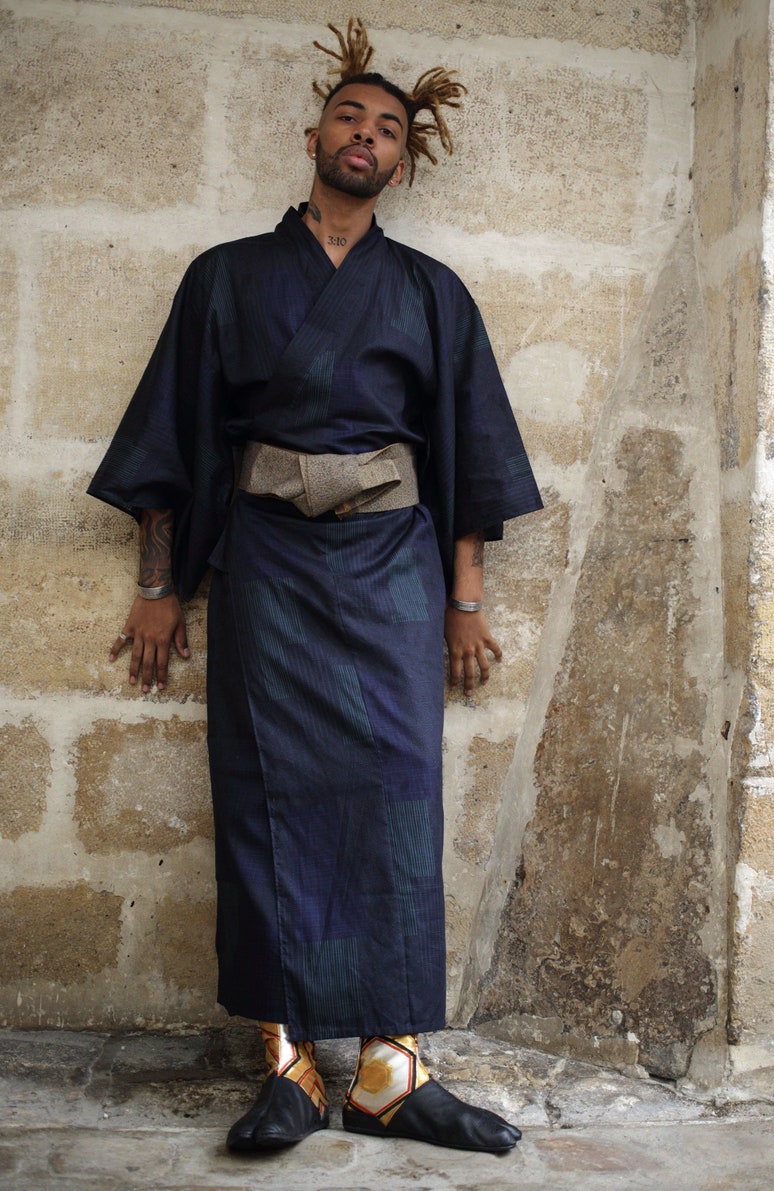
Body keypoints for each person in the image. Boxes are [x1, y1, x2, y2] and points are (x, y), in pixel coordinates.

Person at [89, 19, 542, 1155]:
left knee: (399, 793)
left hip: (391, 568)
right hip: (266, 566)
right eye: (351, 115)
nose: (367, 135)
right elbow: (174, 436)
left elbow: (466, 453)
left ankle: (392, 1071)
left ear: (402, 161)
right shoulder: (226, 277)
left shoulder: (432, 293)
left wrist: (464, 599)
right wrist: (161, 586)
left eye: (388, 128)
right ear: (313, 135)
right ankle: (287, 1066)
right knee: (263, 798)